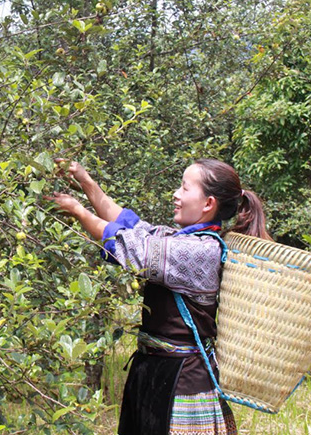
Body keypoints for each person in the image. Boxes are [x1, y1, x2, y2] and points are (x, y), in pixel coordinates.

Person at [46, 158, 272, 435]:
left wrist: (79, 211)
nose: (176, 195)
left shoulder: (199, 252)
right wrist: (85, 180)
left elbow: (131, 245)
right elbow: (129, 223)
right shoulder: (183, 241)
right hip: (156, 373)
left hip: (182, 382)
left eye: (185, 188)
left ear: (208, 204)